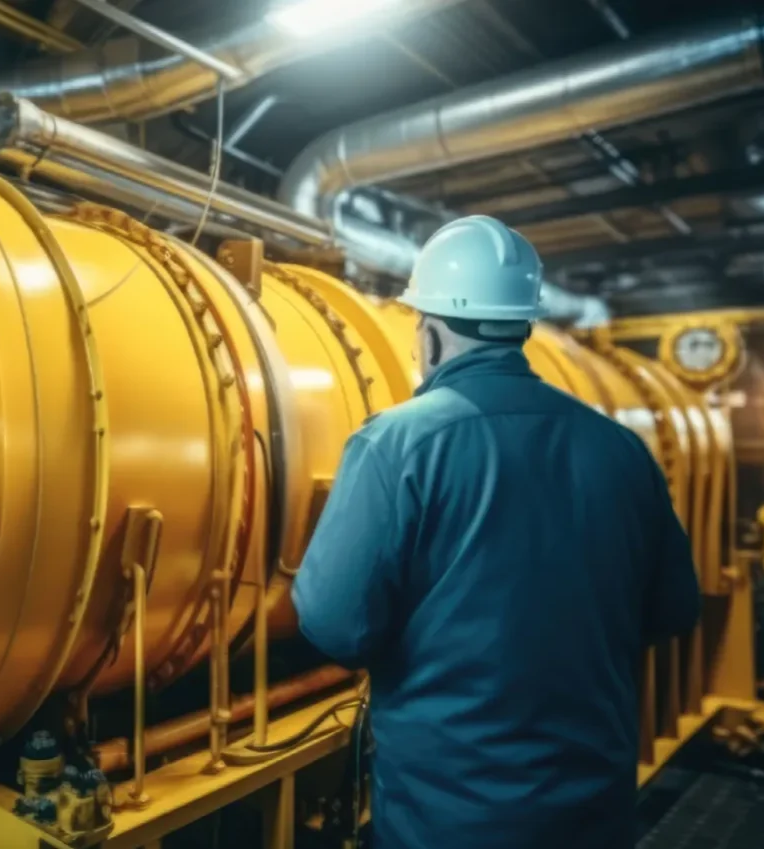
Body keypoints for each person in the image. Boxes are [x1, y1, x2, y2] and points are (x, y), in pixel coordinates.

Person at [290, 216, 701, 849]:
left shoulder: (395, 444)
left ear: (426, 335)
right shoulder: (621, 449)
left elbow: (335, 625)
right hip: (594, 805)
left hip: (448, 812)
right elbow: (673, 608)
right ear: (522, 326)